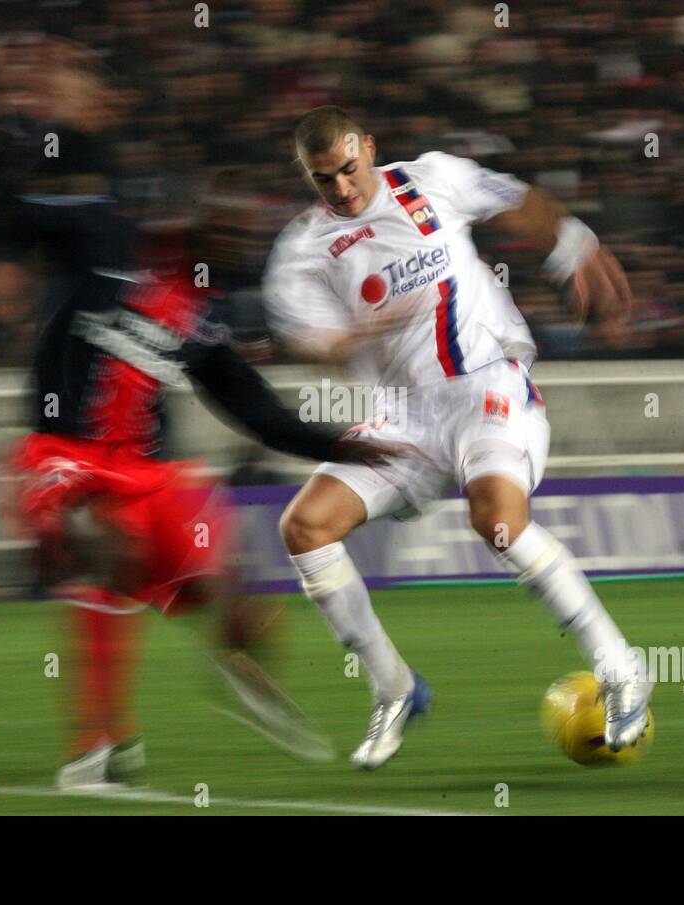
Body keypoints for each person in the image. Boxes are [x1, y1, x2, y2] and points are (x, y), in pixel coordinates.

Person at [0, 55, 405, 788]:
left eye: (246, 236)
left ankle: (232, 665)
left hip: (142, 470)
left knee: (231, 587)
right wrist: (42, 127)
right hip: (61, 453)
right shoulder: (105, 237)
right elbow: (1, 214)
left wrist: (346, 443)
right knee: (96, 545)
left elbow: (259, 413)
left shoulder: (200, 321)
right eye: (229, 228)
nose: (239, 244)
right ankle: (95, 743)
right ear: (193, 216)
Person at [262, 105, 646, 770]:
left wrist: (575, 244)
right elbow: (305, 341)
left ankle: (621, 669)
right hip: (400, 418)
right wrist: (354, 338)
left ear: (370, 147)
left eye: (350, 169)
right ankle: (395, 688)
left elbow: (519, 201)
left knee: (496, 520)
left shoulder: (433, 178)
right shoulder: (303, 247)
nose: (343, 188)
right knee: (304, 527)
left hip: (483, 388)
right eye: (325, 179)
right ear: (309, 177)